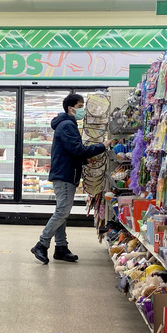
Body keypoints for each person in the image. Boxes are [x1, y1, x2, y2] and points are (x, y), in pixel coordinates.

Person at [31, 93, 106, 264]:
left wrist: (83, 159)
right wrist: (102, 146)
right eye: (80, 107)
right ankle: (41, 244)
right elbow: (77, 149)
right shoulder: (66, 125)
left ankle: (61, 247)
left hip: (66, 172)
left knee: (62, 212)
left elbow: (71, 151)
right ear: (70, 108)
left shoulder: (66, 124)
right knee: (63, 211)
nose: (82, 110)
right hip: (65, 174)